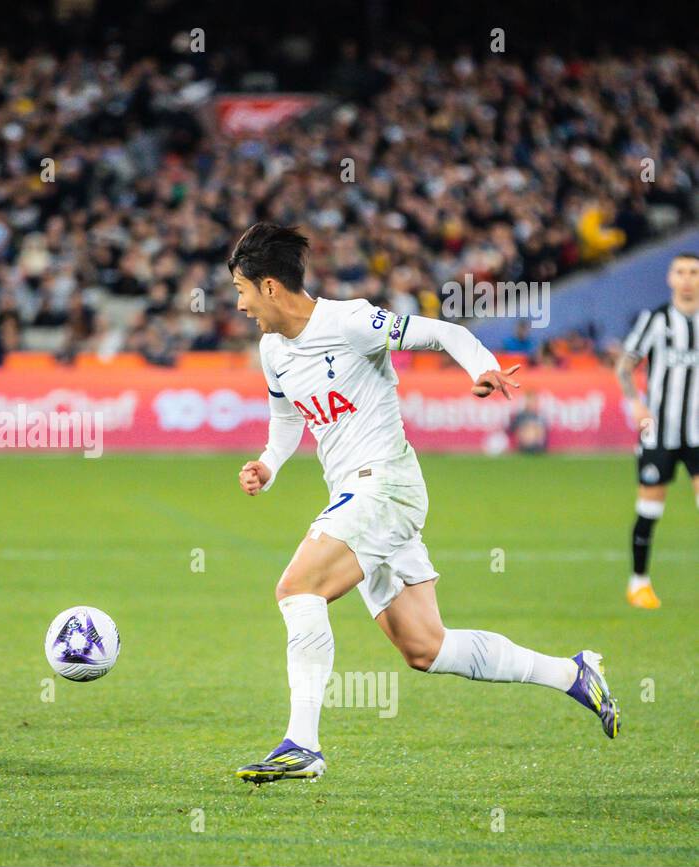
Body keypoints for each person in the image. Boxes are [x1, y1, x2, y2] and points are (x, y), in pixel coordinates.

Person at [228, 223, 619, 784]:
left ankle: (303, 744)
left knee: (297, 588)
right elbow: (287, 419)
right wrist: (268, 464)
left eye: (241, 290)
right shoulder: (273, 350)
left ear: (269, 286)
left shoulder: (350, 321)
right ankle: (574, 674)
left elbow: (440, 332)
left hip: (384, 485)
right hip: (358, 495)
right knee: (425, 647)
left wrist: (480, 365)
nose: (239, 305)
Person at [615, 252, 699, 609]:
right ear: (669, 278)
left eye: (694, 272)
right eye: (680, 272)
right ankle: (638, 584)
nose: (687, 278)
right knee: (649, 510)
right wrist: (636, 403)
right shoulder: (655, 319)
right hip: (659, 431)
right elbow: (624, 366)